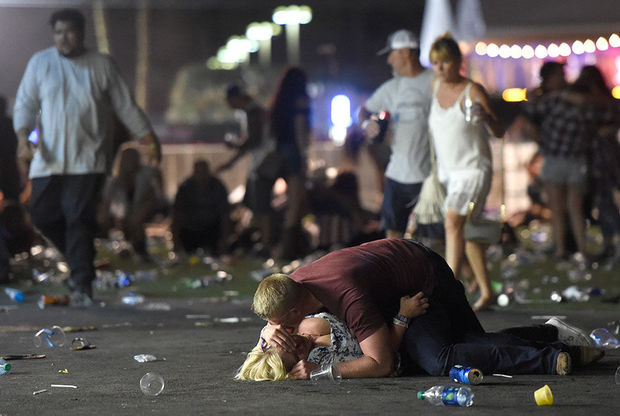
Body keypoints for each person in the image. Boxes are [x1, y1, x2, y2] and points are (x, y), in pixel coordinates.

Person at [253, 238, 603, 379]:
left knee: (443, 358)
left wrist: (321, 373)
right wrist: (267, 334)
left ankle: (552, 353)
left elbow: (382, 361)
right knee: (471, 343)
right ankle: (551, 335)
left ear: (296, 313)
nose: (283, 333)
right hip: (395, 289)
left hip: (423, 282)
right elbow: (276, 322)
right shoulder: (294, 286)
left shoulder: (347, 297)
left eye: (281, 326)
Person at [13, 8, 160, 306]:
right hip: (49, 159)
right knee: (41, 214)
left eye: (69, 32)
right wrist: (22, 137)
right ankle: (78, 259)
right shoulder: (40, 63)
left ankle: (82, 284)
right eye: (58, 32)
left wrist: (147, 137)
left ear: (81, 34)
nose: (63, 38)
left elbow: (125, 105)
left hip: (88, 159)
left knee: (77, 218)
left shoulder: (101, 64)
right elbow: (25, 103)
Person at [427, 34, 505, 311]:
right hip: (450, 171)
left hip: (473, 169)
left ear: (457, 62)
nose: (439, 68)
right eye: (435, 62)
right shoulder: (435, 85)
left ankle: (449, 287)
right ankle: (487, 291)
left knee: (452, 223)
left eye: (445, 62)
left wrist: (488, 118)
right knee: (466, 231)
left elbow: (499, 131)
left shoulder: (472, 91)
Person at [236, 293, 429, 381]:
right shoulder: (324, 360)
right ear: (296, 368)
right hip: (403, 331)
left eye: (288, 342)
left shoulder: (300, 325)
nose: (298, 345)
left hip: (377, 301)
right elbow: (386, 356)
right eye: (295, 355)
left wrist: (267, 330)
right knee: (440, 360)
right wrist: (403, 316)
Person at [358, 29, 434, 239]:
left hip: (429, 176)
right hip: (396, 175)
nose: (389, 60)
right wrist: (367, 124)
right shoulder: (392, 87)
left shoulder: (435, 81)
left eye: (392, 54)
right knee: (392, 238)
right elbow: (363, 110)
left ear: (406, 53)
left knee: (432, 239)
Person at [523, 65, 597, 264]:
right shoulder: (550, 100)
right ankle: (565, 249)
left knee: (573, 207)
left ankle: (573, 249)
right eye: (559, 74)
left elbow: (529, 116)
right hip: (558, 158)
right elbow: (529, 119)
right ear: (549, 78)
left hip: (570, 158)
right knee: (560, 207)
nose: (563, 77)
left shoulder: (558, 98)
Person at [219, 84, 276, 255]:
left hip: (261, 164)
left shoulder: (253, 112)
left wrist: (235, 146)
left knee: (261, 204)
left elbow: (254, 141)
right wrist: (231, 162)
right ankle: (261, 240)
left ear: (235, 98)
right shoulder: (252, 111)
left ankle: (266, 243)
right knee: (254, 203)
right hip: (259, 163)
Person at [576, 65, 620, 263]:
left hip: (602, 156)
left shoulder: (593, 103)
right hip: (606, 154)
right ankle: (610, 243)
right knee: (604, 202)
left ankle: (612, 242)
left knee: (605, 201)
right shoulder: (608, 101)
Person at [269, 67, 312, 260]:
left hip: (281, 151)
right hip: (294, 152)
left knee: (292, 201)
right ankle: (287, 249)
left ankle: (291, 245)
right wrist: (304, 154)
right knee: (295, 202)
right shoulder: (300, 100)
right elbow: (300, 127)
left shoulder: (280, 103)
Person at [98, 144, 167, 261]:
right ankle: (134, 248)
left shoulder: (146, 173)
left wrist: (160, 192)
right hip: (124, 214)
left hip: (146, 209)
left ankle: (139, 249)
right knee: (128, 220)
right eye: (127, 158)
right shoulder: (114, 182)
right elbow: (107, 201)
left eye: (133, 157)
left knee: (137, 218)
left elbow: (157, 174)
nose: (130, 161)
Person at [171, 159, 232, 255]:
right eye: (199, 172)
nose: (202, 176)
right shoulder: (185, 187)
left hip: (212, 230)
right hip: (191, 230)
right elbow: (176, 215)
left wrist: (224, 241)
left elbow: (225, 214)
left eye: (204, 172)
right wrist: (175, 242)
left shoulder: (218, 186)